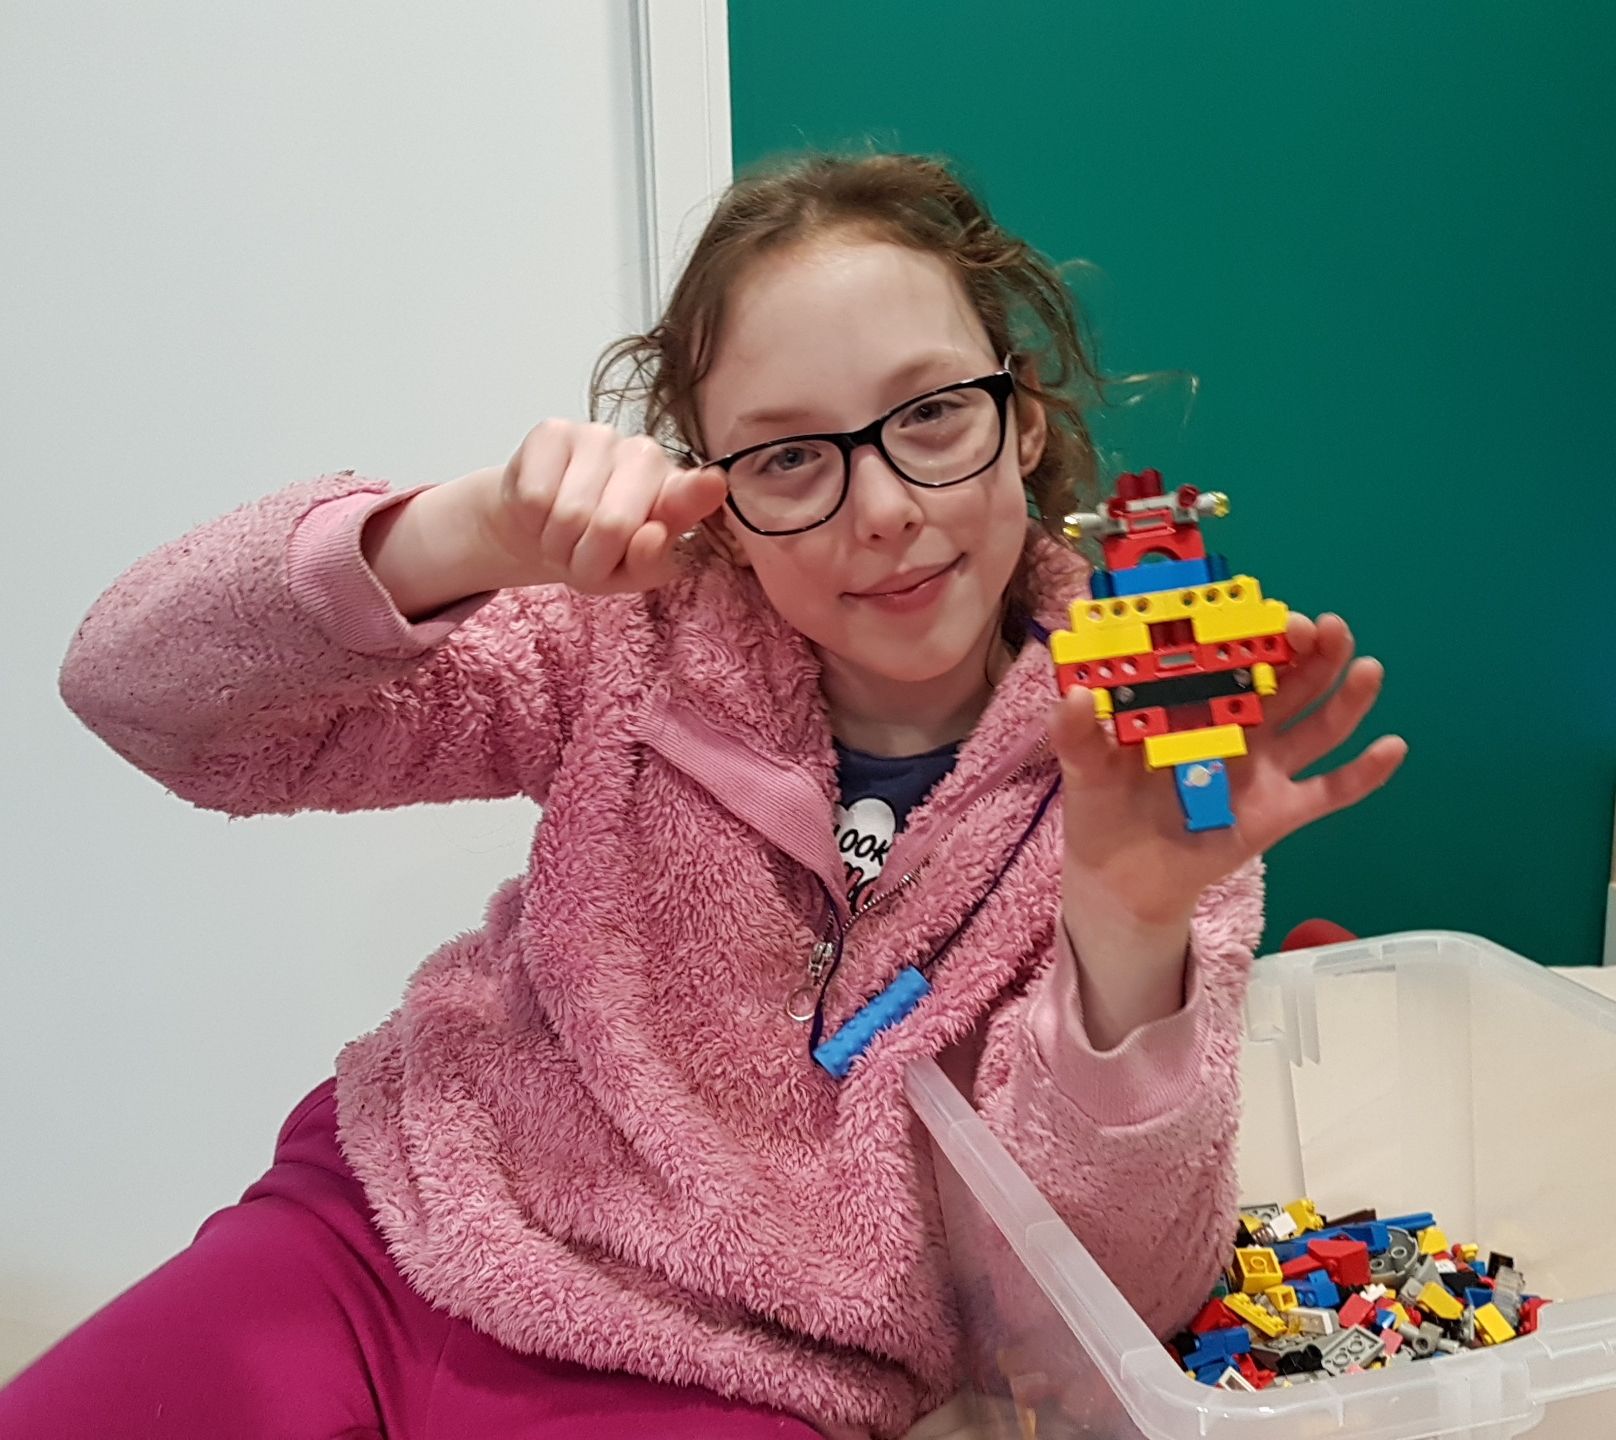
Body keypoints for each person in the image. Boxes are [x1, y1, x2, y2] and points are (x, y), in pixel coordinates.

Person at [6, 151, 1406, 1439]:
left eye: (931, 416)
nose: (882, 508)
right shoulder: (625, 645)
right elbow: (145, 697)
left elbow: (1111, 1309)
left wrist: (1124, 926)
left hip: (748, 1372)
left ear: (1022, 422)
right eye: (790, 456)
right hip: (390, 1237)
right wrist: (462, 533)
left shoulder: (1151, 768)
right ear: (719, 495)